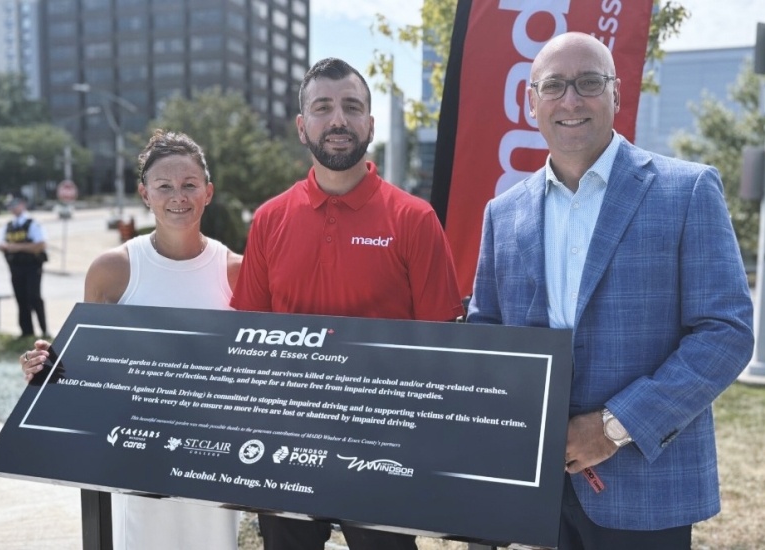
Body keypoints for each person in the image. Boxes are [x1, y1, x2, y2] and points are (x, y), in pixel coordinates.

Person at [465, 32, 754, 549]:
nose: (571, 100)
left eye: (589, 82)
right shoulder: (502, 213)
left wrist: (614, 427)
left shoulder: (686, 190)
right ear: (531, 102)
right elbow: (488, 332)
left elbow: (726, 333)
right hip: (534, 491)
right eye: (553, 86)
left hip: (645, 486)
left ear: (616, 95)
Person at [231, 58, 465, 550]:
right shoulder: (270, 220)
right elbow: (246, 338)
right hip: (284, 444)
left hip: (382, 450)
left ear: (370, 124)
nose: (338, 119)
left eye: (351, 107)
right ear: (302, 126)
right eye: (323, 107)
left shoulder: (415, 219)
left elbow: (443, 347)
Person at [21, 129, 242, 549]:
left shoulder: (237, 270)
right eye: (164, 186)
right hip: (135, 454)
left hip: (213, 455)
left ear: (208, 192)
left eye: (189, 184)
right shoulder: (113, 269)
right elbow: (86, 369)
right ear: (145, 194)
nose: (178, 195)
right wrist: (46, 367)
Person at [0, 193, 48, 338]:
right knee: (21, 298)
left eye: (15, 204)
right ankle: (26, 332)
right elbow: (1, 243)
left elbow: (39, 245)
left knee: (34, 297)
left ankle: (44, 330)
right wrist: (8, 247)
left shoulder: (33, 223)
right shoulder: (9, 225)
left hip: (32, 267)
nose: (12, 208)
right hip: (15, 267)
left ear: (23, 204)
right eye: (10, 205)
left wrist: (16, 247)